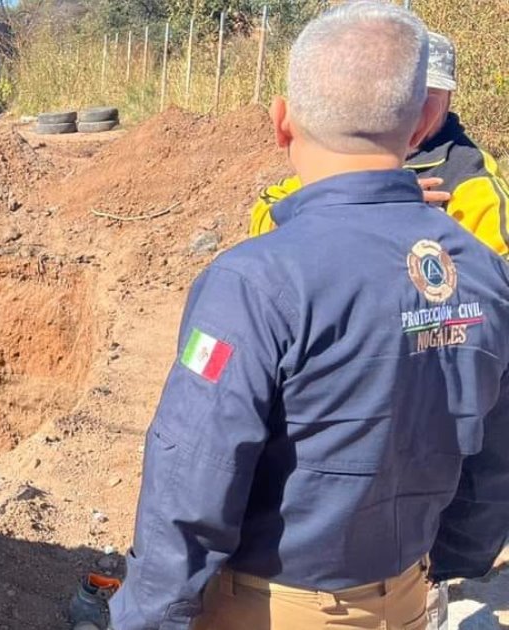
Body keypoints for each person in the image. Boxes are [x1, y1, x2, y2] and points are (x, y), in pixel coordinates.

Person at [107, 3, 509, 629]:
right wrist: (454, 558)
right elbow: (494, 453)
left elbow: (192, 475)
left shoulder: (253, 280)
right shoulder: (484, 271)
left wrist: (149, 616)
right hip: (409, 597)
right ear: (425, 120)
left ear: (282, 120)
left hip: (274, 609)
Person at [249, 31, 509, 258]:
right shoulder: (354, 149)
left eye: (427, 93)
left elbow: (497, 285)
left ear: (447, 98)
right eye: (401, 91)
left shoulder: (468, 175)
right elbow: (263, 218)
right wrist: (356, 201)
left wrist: (418, 223)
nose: (411, 106)